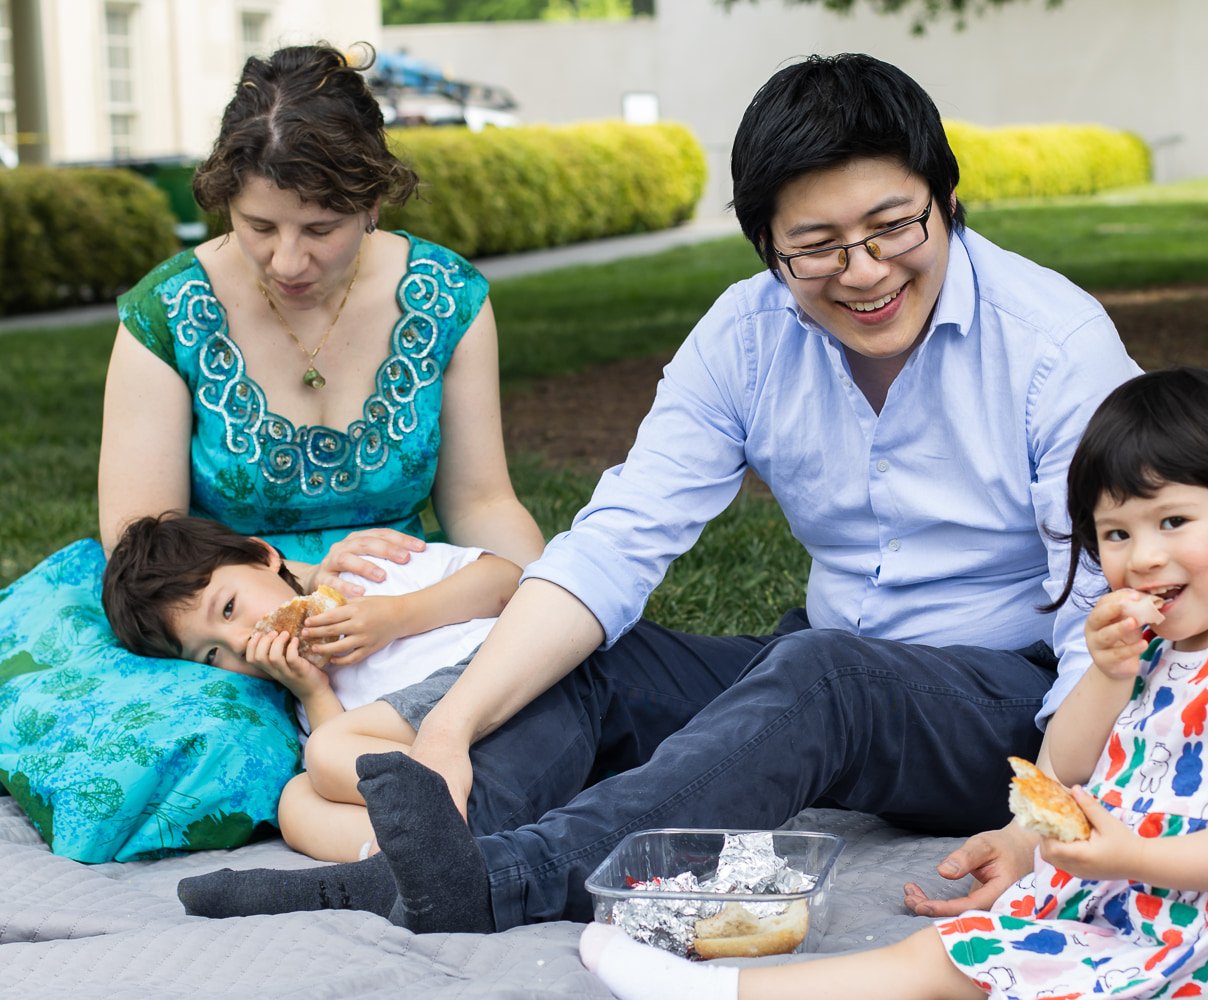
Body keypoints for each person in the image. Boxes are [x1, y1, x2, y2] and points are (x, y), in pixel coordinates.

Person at [177, 52, 1139, 936]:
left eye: (894, 227)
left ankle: (512, 879)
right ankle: (422, 852)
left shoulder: (1055, 344)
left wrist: (1043, 821)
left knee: (822, 674)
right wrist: (455, 727)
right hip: (833, 659)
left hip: (1015, 706)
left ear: (947, 198)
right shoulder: (748, 336)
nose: (865, 272)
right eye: (817, 247)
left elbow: (1110, 614)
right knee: (603, 656)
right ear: (766, 244)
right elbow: (615, 544)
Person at [578, 366, 1208, 999]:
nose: (1143, 556)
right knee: (967, 949)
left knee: (945, 965)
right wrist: (1103, 674)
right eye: (1116, 534)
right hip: (1131, 896)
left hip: (1191, 929)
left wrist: (1132, 854)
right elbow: (1066, 764)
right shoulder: (1164, 645)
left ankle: (719, 992)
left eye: (1173, 522)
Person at [98, 42, 543, 584]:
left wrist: (543, 592)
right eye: (259, 227)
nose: (287, 261)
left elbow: (481, 505)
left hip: (403, 607)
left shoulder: (446, 296)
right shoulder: (166, 315)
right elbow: (143, 546)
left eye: (320, 229)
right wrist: (304, 581)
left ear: (372, 204)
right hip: (225, 611)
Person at [102, 513, 522, 862]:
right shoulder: (303, 701)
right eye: (212, 654)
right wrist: (315, 692)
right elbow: (355, 777)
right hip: (472, 777)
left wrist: (398, 615)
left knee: (326, 752)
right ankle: (421, 862)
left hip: (495, 686)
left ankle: (428, 850)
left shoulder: (365, 574)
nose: (240, 643)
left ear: (263, 555)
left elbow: (509, 582)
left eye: (229, 608)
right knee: (297, 804)